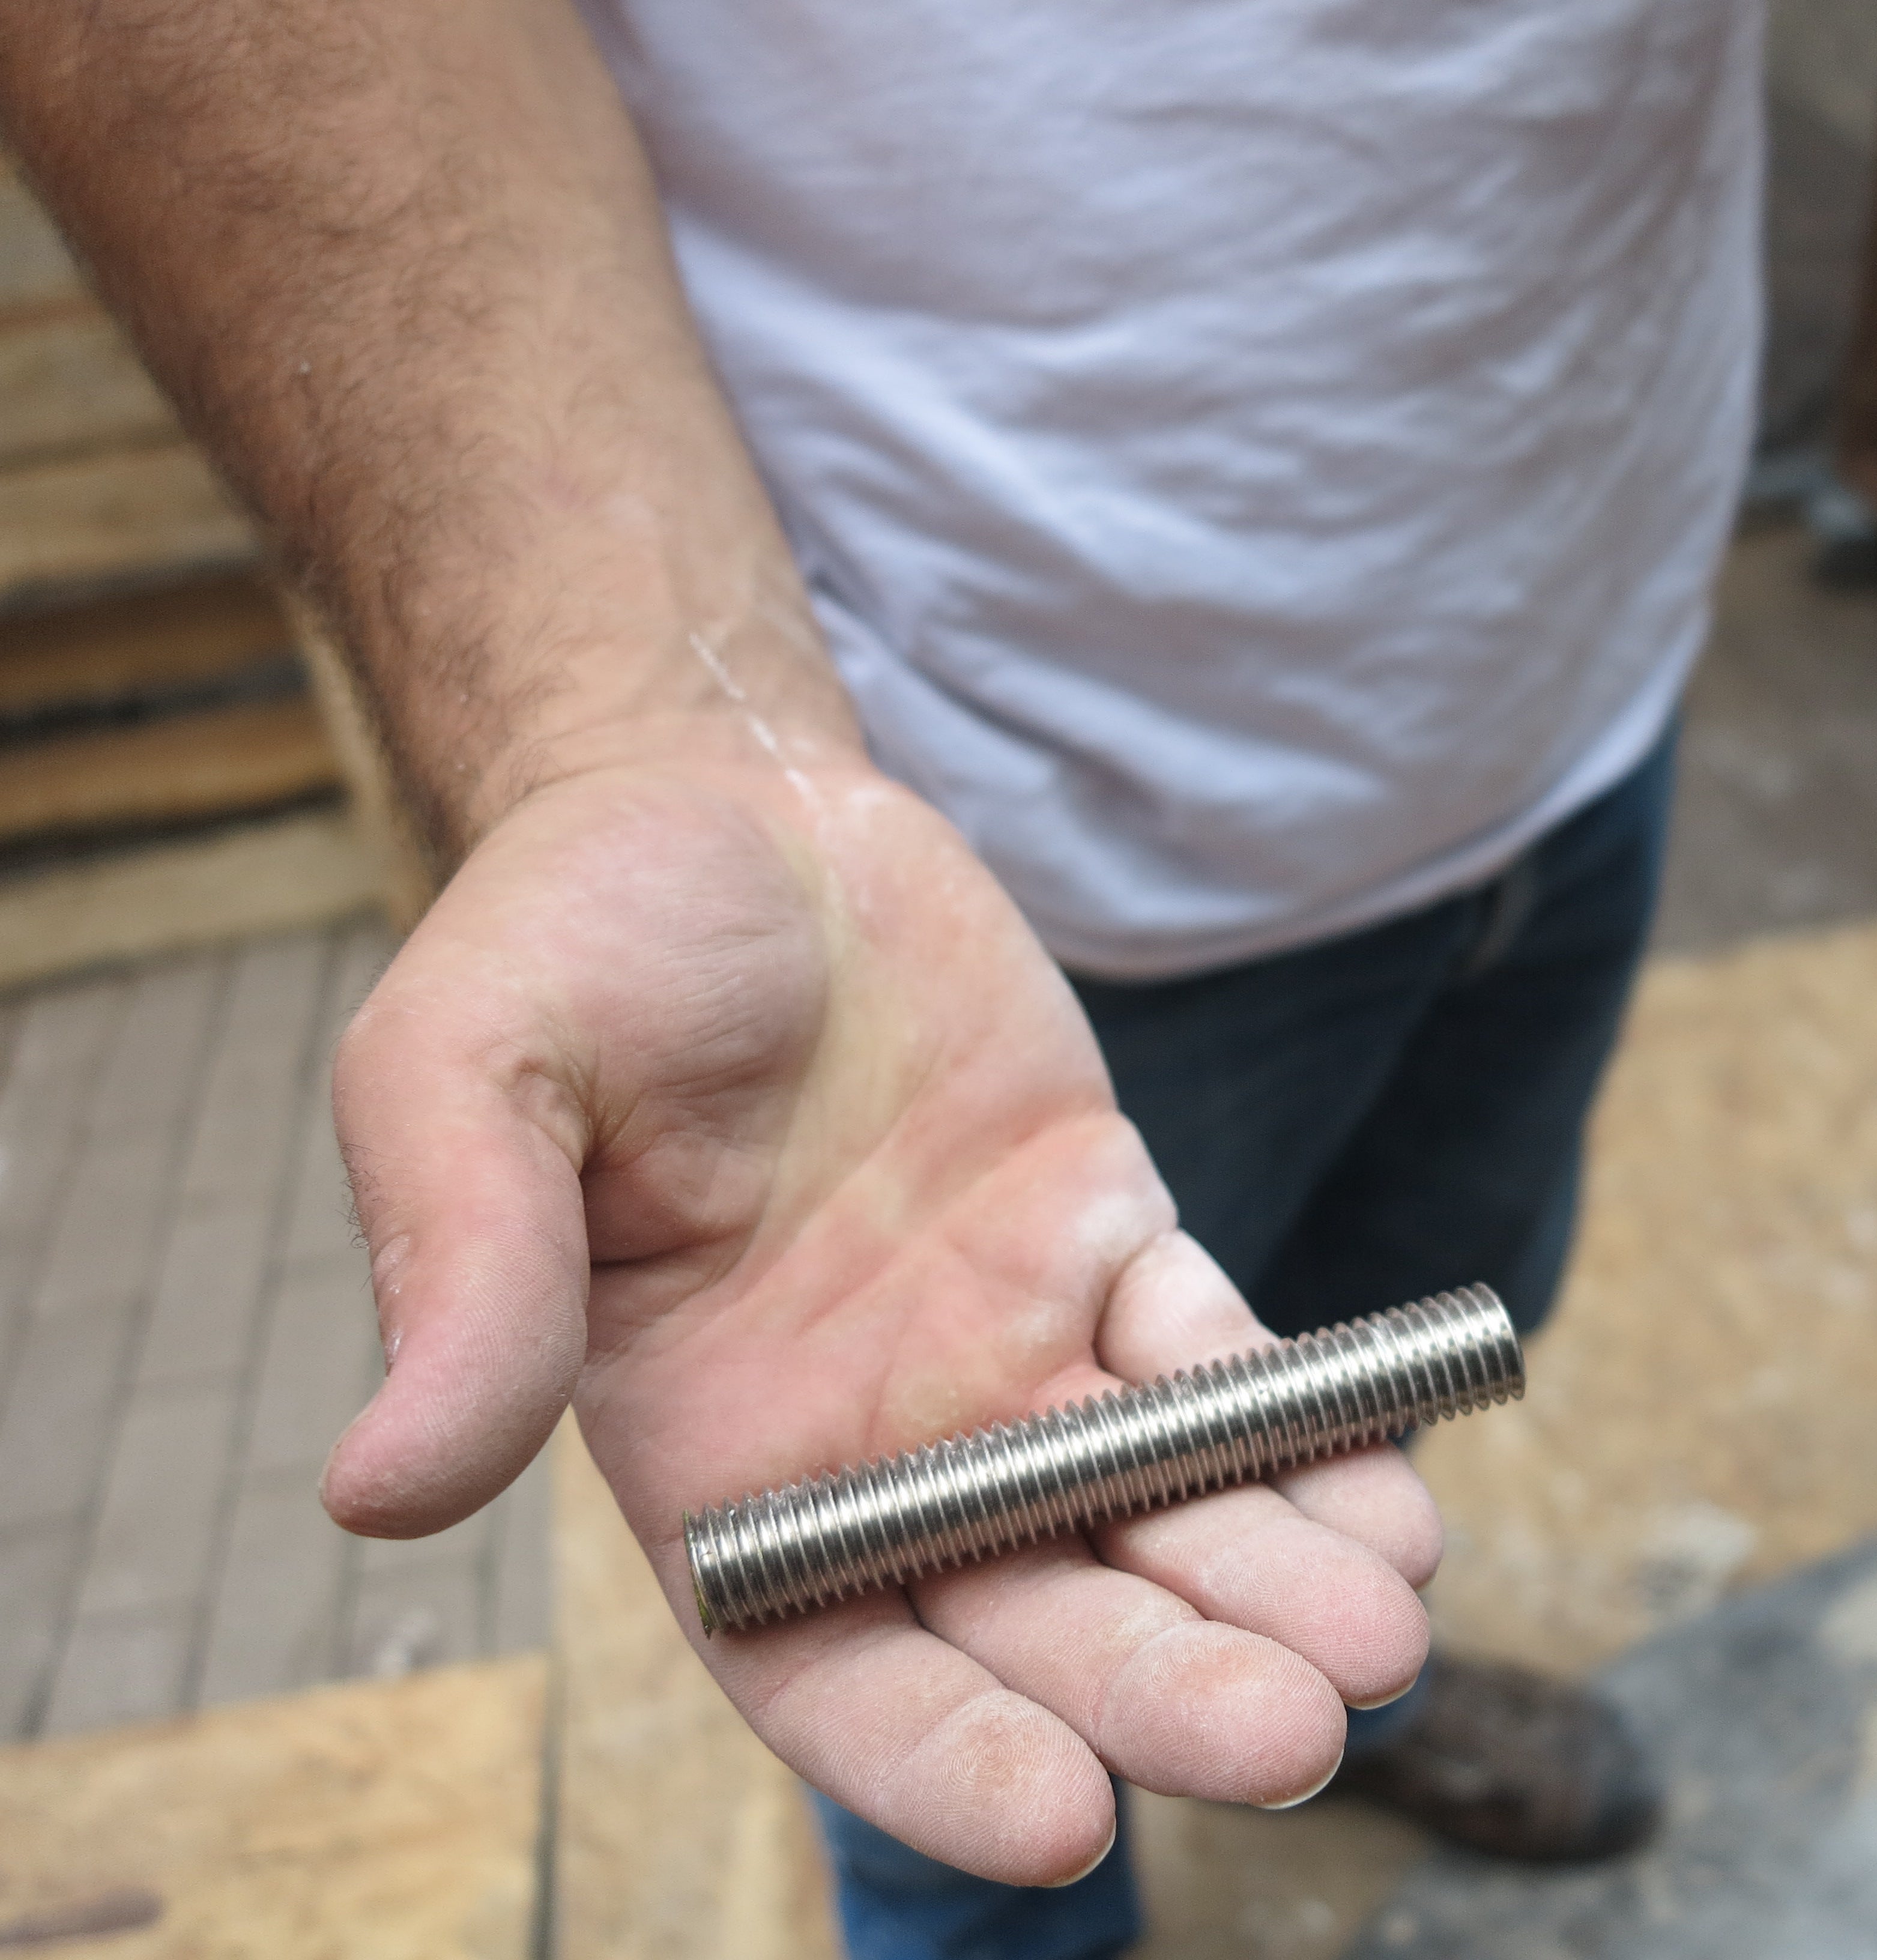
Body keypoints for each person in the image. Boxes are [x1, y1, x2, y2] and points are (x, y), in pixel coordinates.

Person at [0, 1, 1766, 1953]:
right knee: (985, 1695)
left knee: (1342, 1410)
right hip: (973, 911)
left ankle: (1364, 1700)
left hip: (1585, 701)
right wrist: (627, 717)